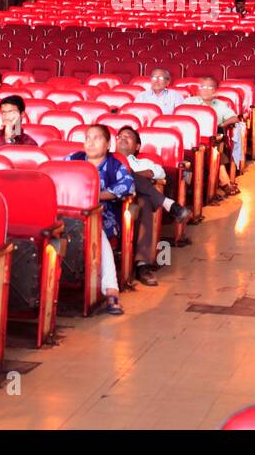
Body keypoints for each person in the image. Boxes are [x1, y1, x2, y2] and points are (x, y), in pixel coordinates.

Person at [66, 125, 137, 315]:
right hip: (69, 213)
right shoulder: (73, 159)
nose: (90, 142)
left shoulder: (114, 165)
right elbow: (56, 177)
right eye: (88, 137)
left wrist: (95, 195)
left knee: (97, 233)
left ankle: (111, 290)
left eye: (97, 138)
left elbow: (127, 186)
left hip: (103, 216)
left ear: (107, 144)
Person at [116, 127, 188, 286]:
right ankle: (168, 204)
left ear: (137, 147)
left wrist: (145, 172)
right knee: (127, 175)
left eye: (127, 137)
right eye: (119, 136)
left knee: (145, 203)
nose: (122, 139)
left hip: (134, 203)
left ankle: (141, 264)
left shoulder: (144, 162)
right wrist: (135, 174)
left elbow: (160, 173)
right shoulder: (107, 160)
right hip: (112, 201)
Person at [184, 76, 241, 197]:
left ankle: (224, 182)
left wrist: (221, 124)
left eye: (209, 87)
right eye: (203, 87)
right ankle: (224, 183)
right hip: (189, 137)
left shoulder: (220, 105)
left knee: (214, 148)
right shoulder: (189, 102)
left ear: (215, 91)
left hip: (211, 138)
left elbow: (235, 118)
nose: (205, 90)